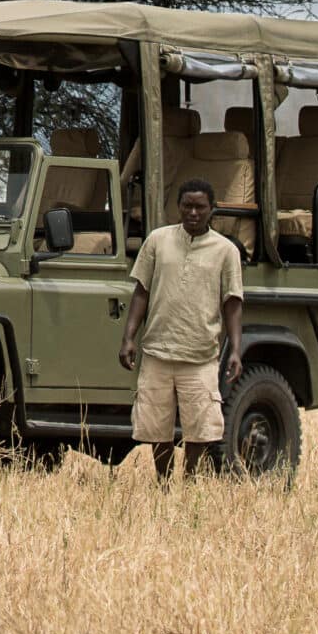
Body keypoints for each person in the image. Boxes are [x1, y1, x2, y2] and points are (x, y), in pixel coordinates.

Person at [118, 176, 244, 481]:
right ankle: (163, 481)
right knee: (156, 426)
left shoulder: (226, 251)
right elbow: (142, 291)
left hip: (200, 354)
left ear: (212, 209)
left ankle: (188, 480)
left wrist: (236, 349)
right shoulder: (157, 241)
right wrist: (129, 337)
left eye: (200, 207)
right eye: (187, 206)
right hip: (158, 351)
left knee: (200, 429)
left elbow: (232, 302)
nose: (193, 213)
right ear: (178, 207)